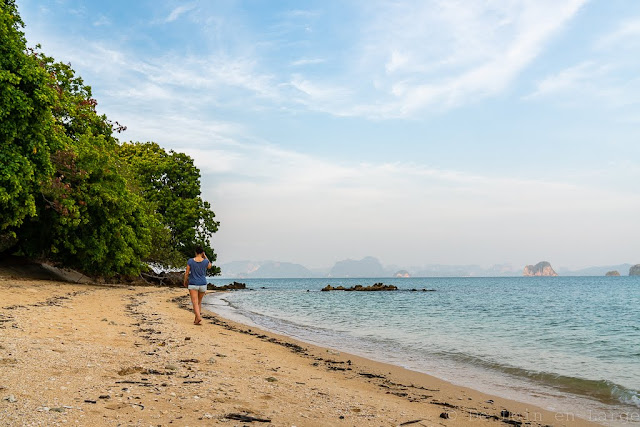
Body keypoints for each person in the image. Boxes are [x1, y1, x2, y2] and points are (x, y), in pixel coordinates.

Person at [183, 246, 212, 325]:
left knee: (195, 302)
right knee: (199, 302)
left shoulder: (190, 261)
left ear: (195, 252)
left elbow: (187, 273)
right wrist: (205, 256)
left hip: (193, 283)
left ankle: (198, 317)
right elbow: (210, 266)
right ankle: (196, 319)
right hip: (203, 283)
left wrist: (185, 281)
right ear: (202, 253)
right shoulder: (205, 261)